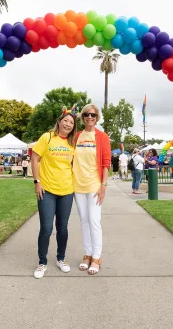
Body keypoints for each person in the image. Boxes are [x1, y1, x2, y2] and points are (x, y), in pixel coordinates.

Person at [31, 109, 77, 279]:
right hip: (47, 189)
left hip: (67, 190)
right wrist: (37, 182)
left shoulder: (73, 143)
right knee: (46, 228)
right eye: (65, 121)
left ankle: (61, 258)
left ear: (73, 127)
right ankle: (42, 262)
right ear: (59, 121)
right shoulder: (47, 137)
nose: (68, 124)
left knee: (62, 228)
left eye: (71, 123)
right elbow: (34, 159)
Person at [73, 104, 111, 275]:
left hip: (94, 185)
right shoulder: (77, 136)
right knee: (84, 221)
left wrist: (103, 185)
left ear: (97, 118)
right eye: (87, 114)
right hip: (77, 185)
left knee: (94, 220)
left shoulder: (102, 137)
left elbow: (106, 163)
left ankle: (97, 257)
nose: (90, 117)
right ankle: (87, 254)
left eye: (93, 115)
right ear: (82, 117)